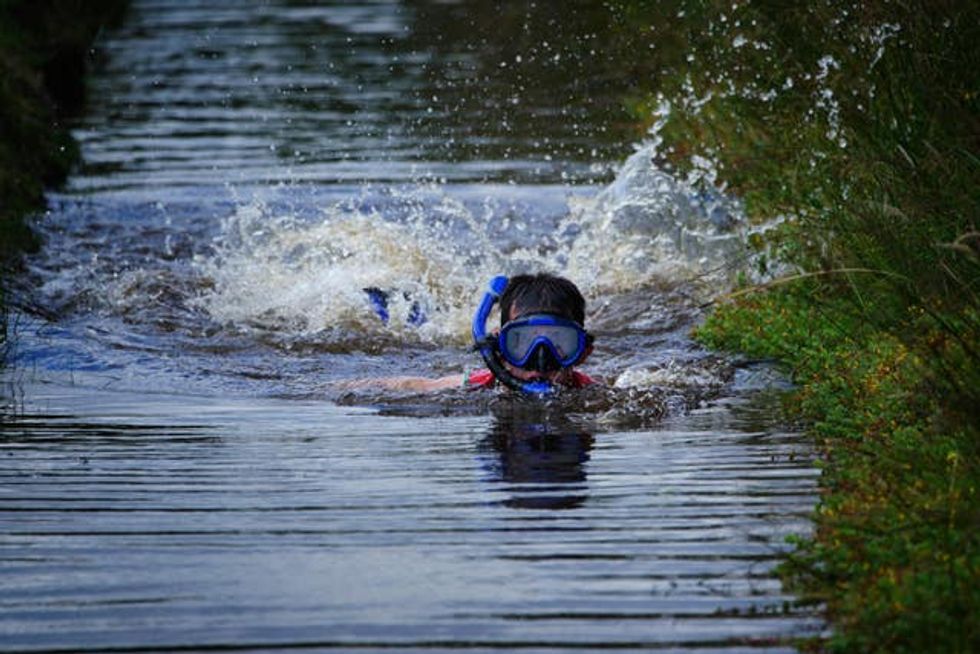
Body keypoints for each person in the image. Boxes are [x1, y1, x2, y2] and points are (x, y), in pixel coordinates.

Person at [347, 272, 598, 393]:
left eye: (559, 344)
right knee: (420, 327)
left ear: (583, 353)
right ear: (499, 350)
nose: (540, 361)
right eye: (521, 343)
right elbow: (415, 384)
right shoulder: (478, 386)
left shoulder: (592, 393)